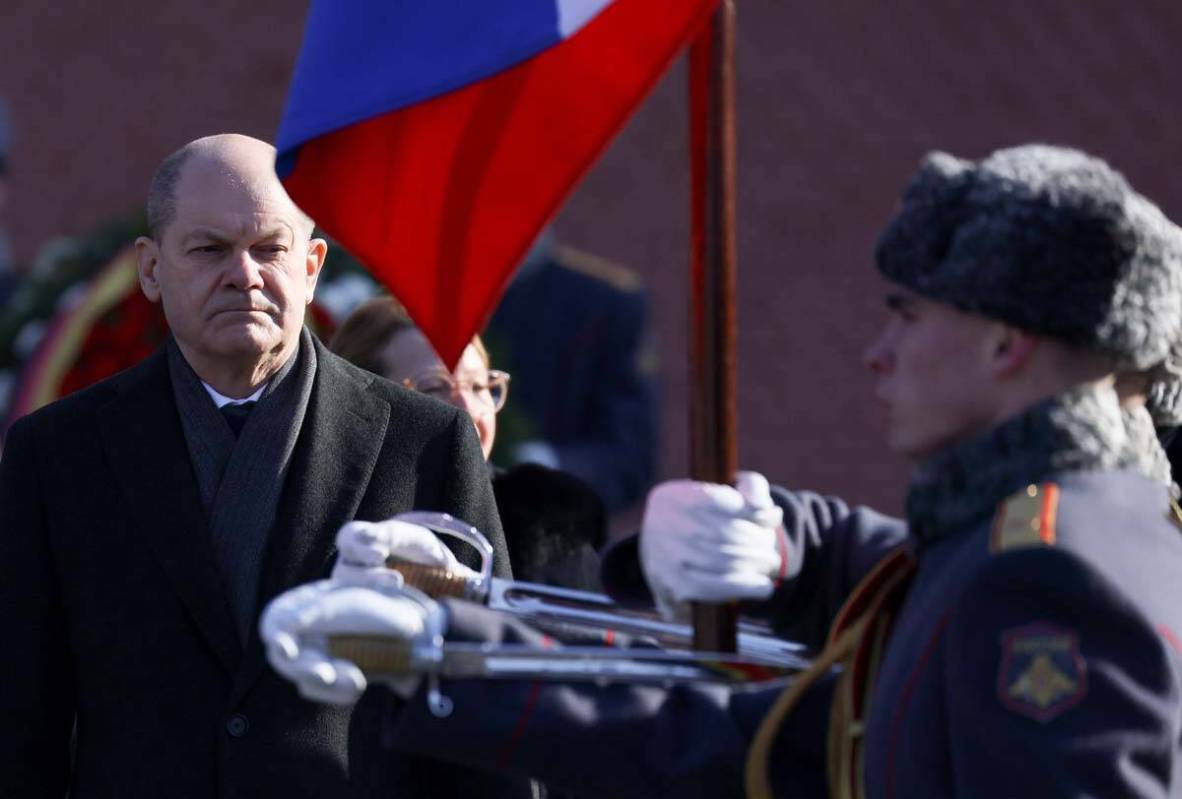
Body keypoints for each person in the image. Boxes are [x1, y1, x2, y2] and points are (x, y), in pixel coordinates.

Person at [262, 144, 1182, 797]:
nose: (878, 350)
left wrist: (444, 655)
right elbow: (762, 731)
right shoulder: (1037, 530)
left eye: (908, 315)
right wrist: (445, 652)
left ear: (1005, 344)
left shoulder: (1048, 573)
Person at [0, 133, 519, 798]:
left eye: (270, 248)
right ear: (151, 269)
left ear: (311, 266)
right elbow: (21, 718)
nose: (244, 274)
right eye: (210, 249)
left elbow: (485, 700)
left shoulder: (422, 442)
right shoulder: (60, 452)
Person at [331, 295, 606, 589]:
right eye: (434, 387)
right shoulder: (327, 510)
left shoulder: (550, 524)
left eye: (478, 386)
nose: (467, 408)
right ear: (364, 406)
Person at [484, 231, 658, 513]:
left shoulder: (604, 301)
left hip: (551, 526)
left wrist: (546, 463)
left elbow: (630, 457)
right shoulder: (412, 293)